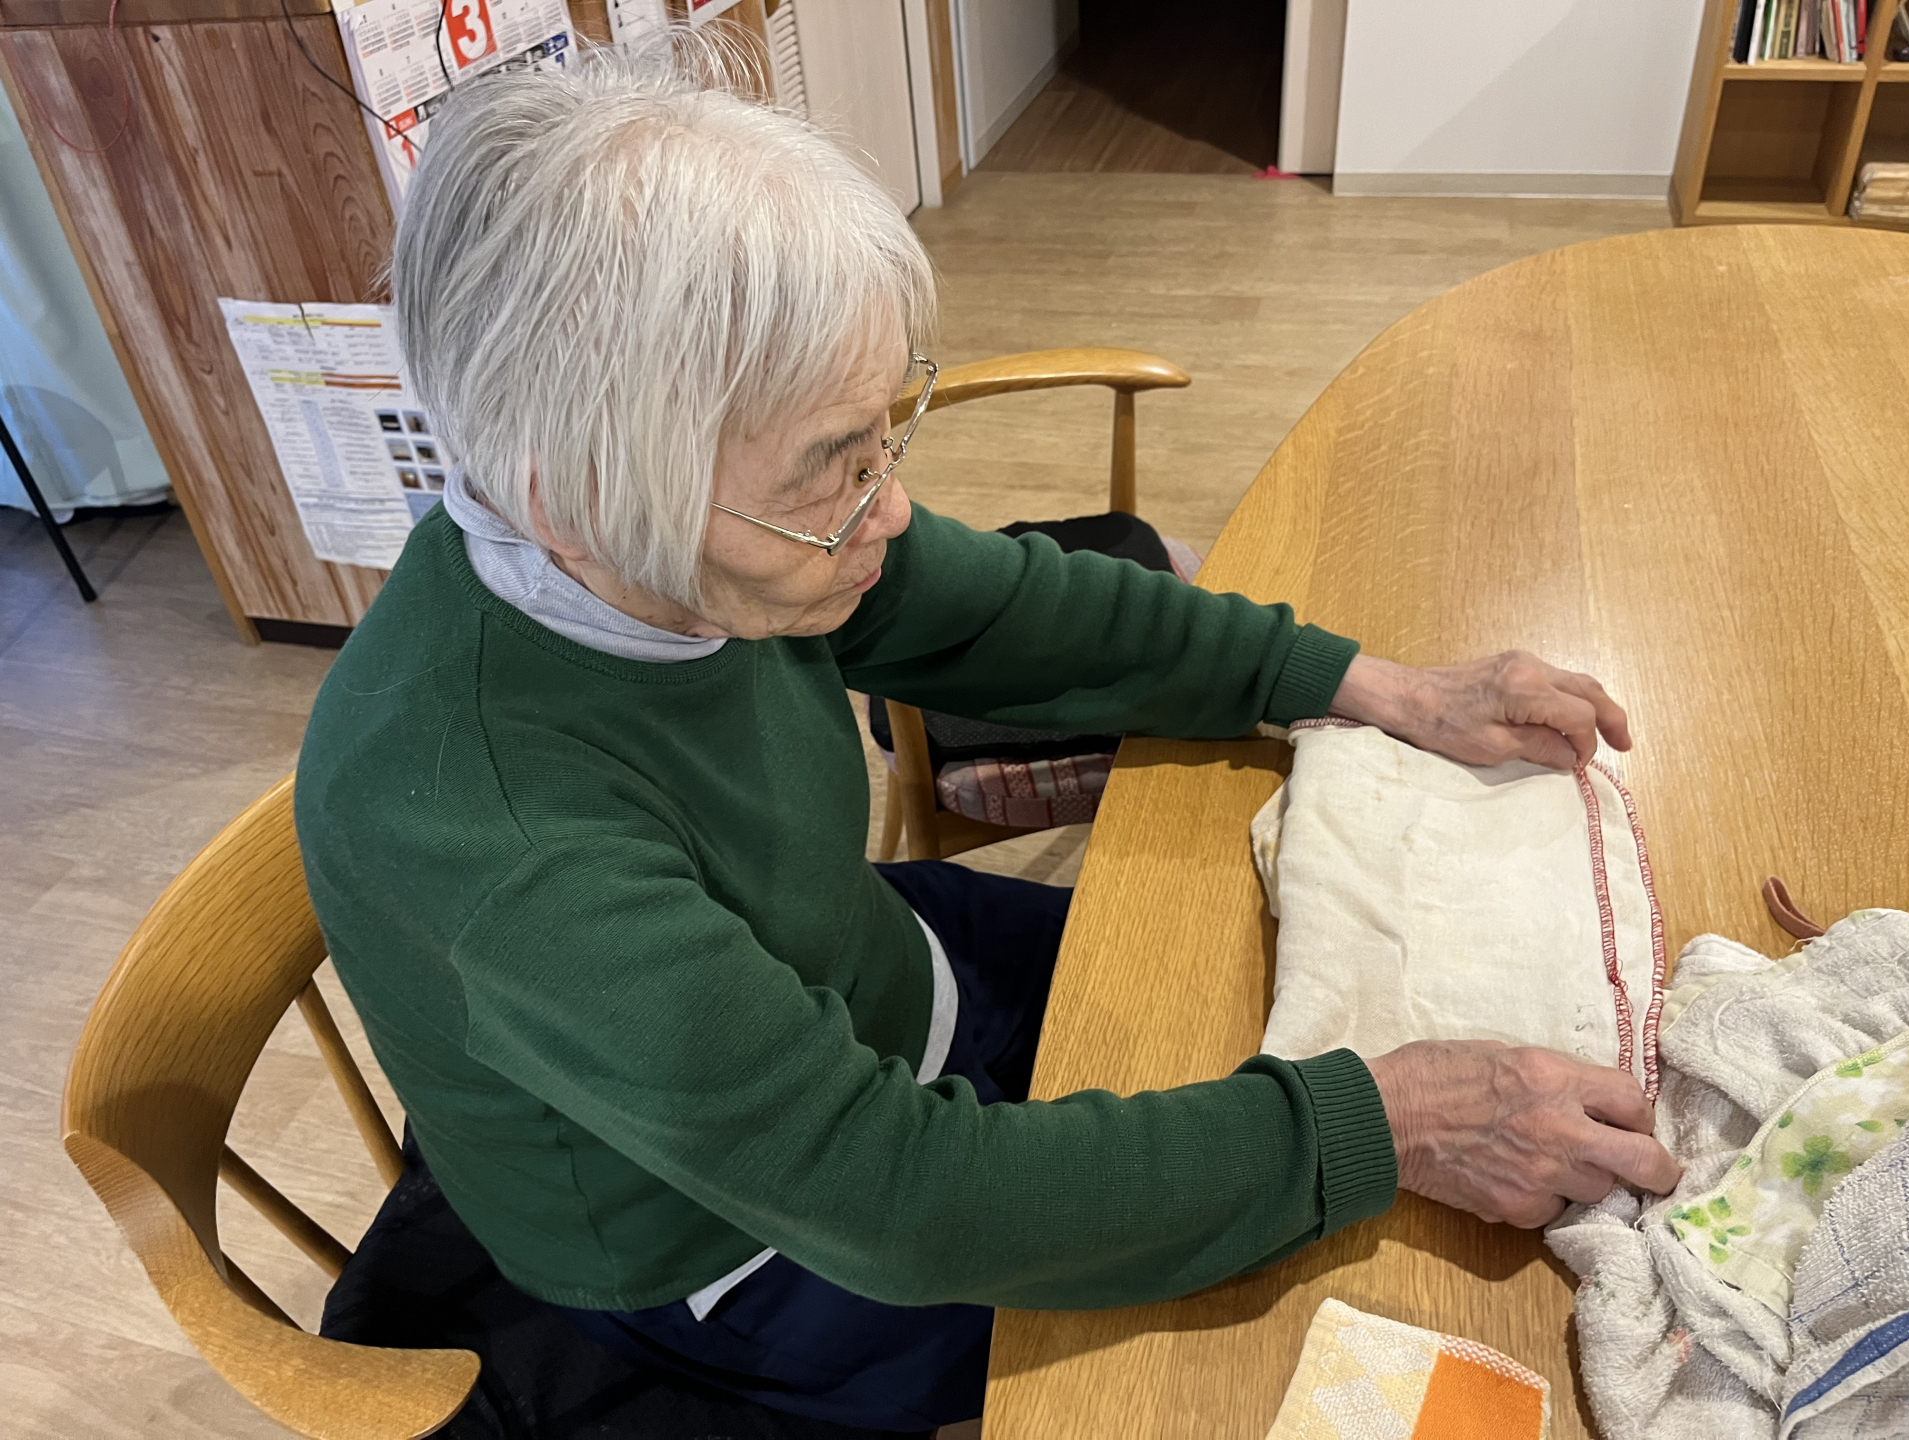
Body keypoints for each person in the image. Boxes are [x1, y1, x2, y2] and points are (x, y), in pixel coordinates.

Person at [294, 43, 1680, 1434]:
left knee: (1255, 993)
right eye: (834, 467)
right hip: (742, 1245)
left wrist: (1367, 684)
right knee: (1280, 1319)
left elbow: (998, 605)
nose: (887, 507)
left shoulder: (668, 545)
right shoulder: (497, 839)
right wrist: (1391, 1124)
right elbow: (901, 1201)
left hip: (872, 973)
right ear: (578, 495)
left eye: (881, 438)